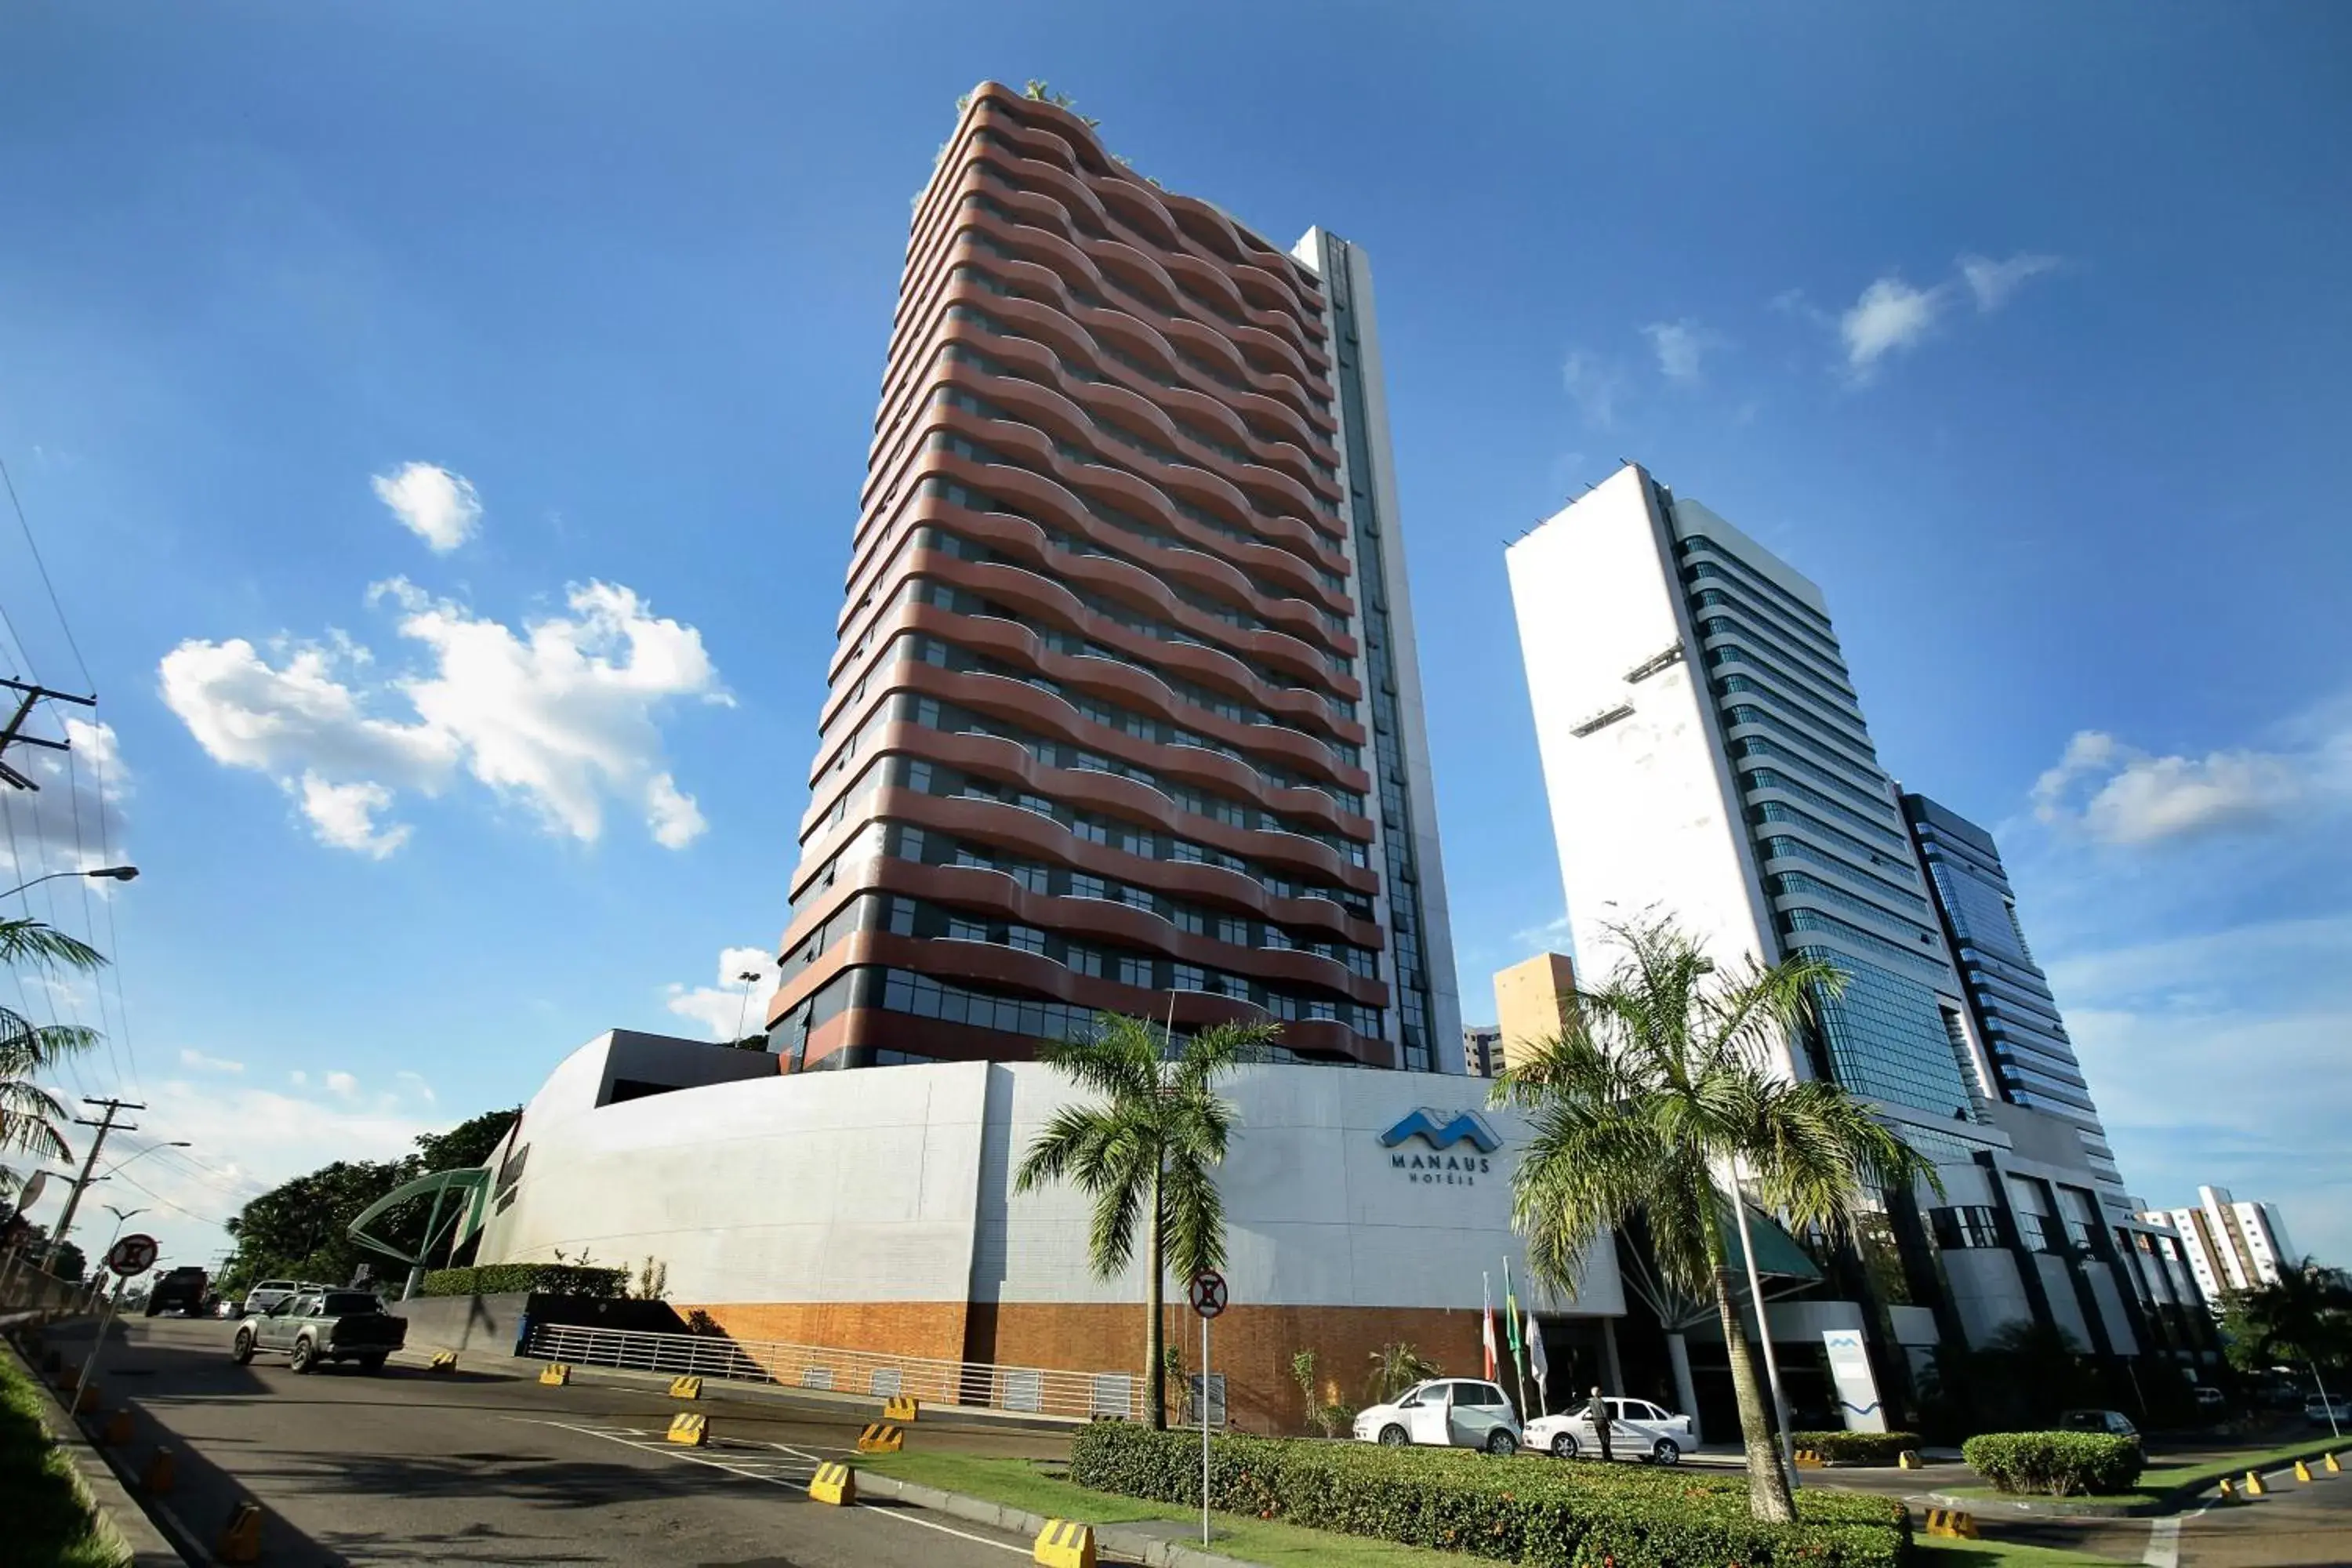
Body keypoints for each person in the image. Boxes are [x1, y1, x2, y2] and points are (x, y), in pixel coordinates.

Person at [1584, 1385, 1614, 1462]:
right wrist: (1610, 1422)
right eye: (1600, 1392)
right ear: (1597, 1393)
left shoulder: (1591, 1402)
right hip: (1602, 1421)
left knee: (1602, 1439)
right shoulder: (1601, 1401)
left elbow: (1591, 1412)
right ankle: (1607, 1457)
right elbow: (1606, 1413)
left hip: (1596, 1422)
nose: (1601, 1393)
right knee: (1606, 1439)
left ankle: (1606, 1456)